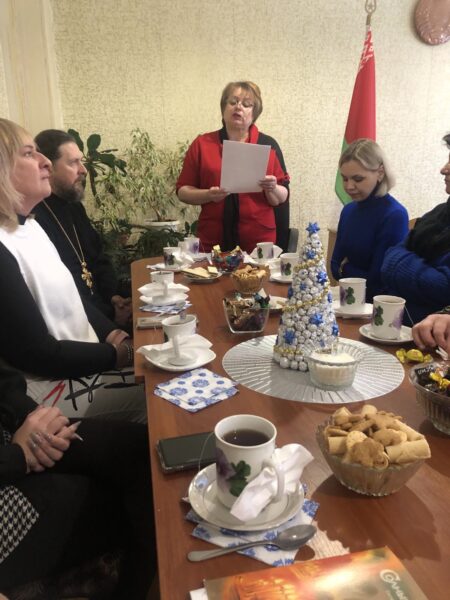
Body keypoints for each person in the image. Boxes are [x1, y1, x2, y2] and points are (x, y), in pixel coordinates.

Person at [0, 118, 145, 422]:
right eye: (29, 154)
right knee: (163, 394)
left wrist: (113, 334)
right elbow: (39, 354)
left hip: (82, 362)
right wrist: (123, 353)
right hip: (47, 390)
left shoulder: (31, 226)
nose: (44, 162)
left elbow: (74, 298)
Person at [0, 360, 155, 599]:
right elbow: (41, 352)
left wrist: (34, 420)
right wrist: (17, 456)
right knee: (136, 501)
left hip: (11, 437)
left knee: (142, 452)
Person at [33, 129, 132, 329]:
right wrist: (110, 317)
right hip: (79, 324)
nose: (84, 170)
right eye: (73, 162)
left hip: (105, 310)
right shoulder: (36, 218)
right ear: (48, 167)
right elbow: (63, 290)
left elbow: (98, 258)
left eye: (81, 161)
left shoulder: (74, 207)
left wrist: (113, 297)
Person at [176, 81, 290, 254]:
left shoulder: (268, 145)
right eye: (233, 102)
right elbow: (182, 191)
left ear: (254, 113)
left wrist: (272, 187)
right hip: (212, 241)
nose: (238, 107)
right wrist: (208, 195)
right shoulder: (202, 144)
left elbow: (281, 197)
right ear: (223, 108)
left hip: (258, 243)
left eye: (246, 104)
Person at [381, 134, 450, 323]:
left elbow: (443, 287)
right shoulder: (438, 213)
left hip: (430, 336)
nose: (443, 169)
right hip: (395, 324)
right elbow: (388, 259)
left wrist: (401, 266)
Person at [331, 138, 409, 302]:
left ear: (380, 173)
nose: (349, 186)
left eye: (358, 179)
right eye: (345, 178)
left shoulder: (394, 215)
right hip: (348, 298)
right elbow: (334, 266)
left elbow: (378, 282)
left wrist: (346, 268)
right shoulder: (348, 210)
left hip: (376, 306)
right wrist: (349, 270)